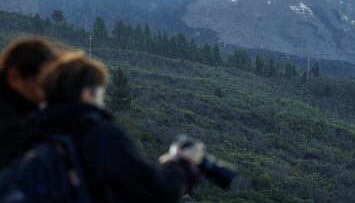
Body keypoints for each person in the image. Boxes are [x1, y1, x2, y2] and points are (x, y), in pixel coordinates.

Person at [24, 52, 204, 203]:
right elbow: (157, 192)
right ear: (87, 93)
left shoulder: (29, 132)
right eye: (100, 94)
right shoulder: (100, 135)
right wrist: (182, 167)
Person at [0, 37, 58, 169]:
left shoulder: (28, 114)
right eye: (42, 82)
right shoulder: (12, 127)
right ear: (14, 76)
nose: (47, 91)